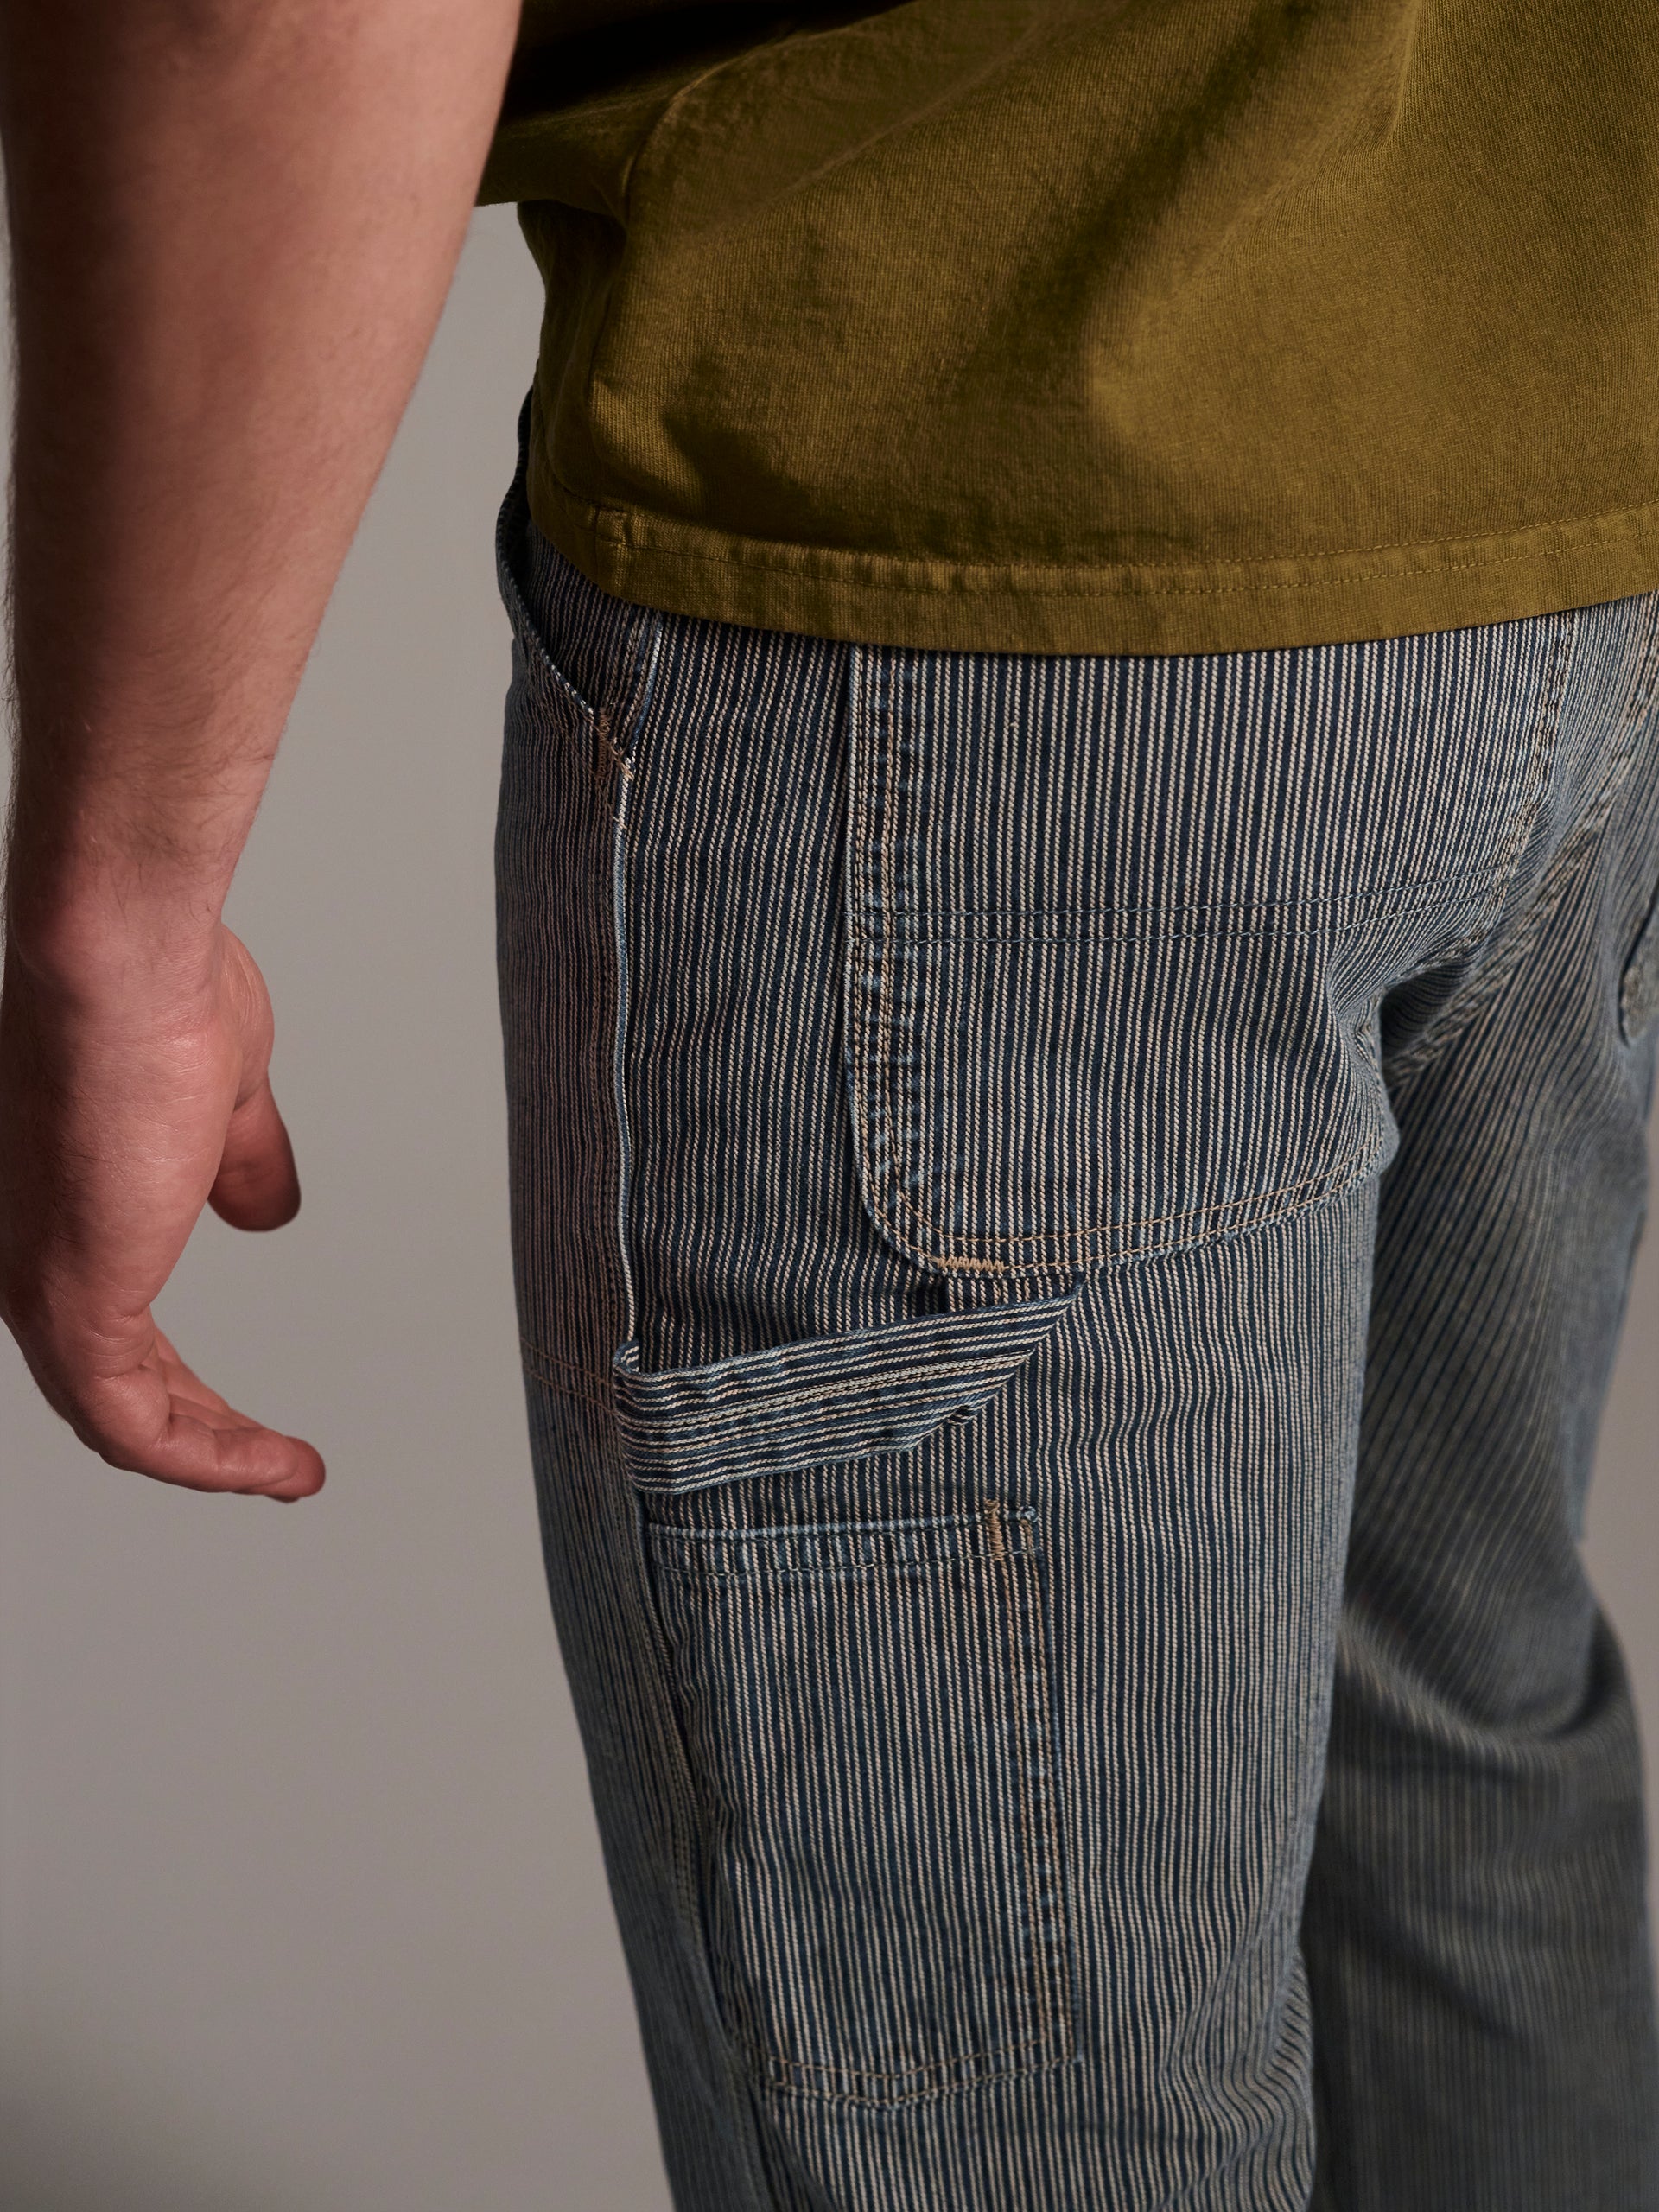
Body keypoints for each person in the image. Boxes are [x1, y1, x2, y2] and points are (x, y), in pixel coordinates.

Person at [2, 4, 1656, 2207]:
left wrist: (119, 897)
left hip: (979, 599)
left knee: (1005, 2094)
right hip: (1563, 500)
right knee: (1444, 1752)